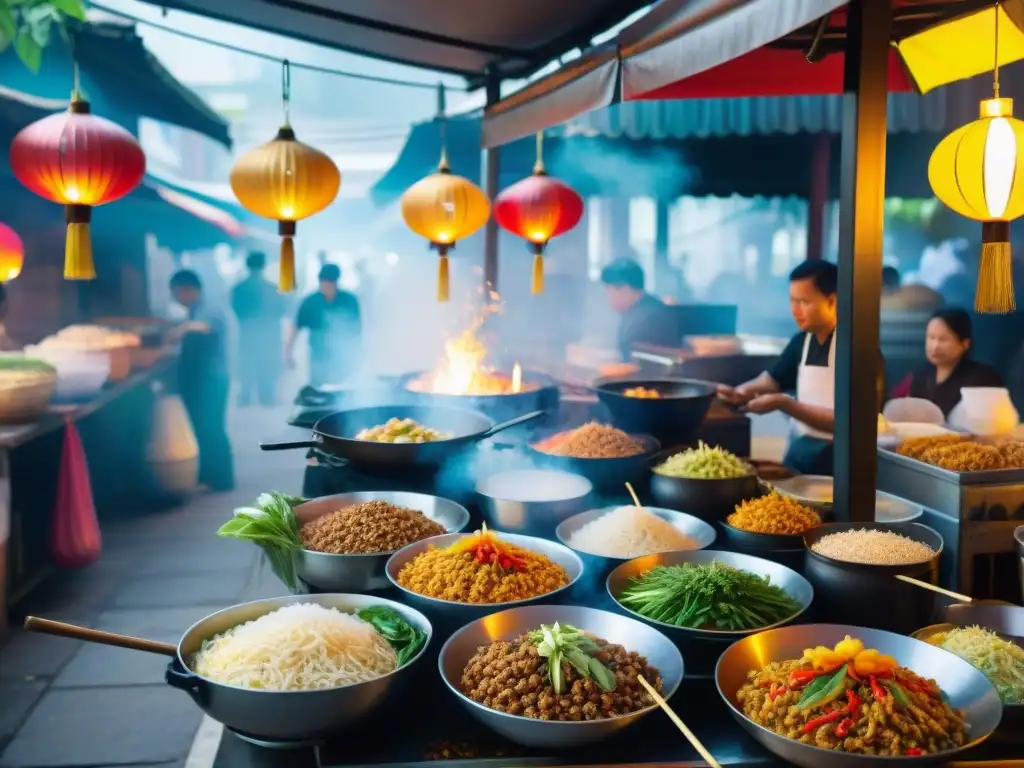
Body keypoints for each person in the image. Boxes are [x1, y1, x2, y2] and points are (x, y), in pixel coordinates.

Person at [717, 260, 886, 475]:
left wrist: (785, 404)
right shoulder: (802, 341)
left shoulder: (859, 350)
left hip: (839, 460)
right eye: (792, 301)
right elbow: (771, 381)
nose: (795, 310)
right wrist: (739, 393)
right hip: (799, 449)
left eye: (803, 302)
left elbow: (852, 423)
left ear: (833, 302)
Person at [169, 269, 234, 491]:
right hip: (200, 378)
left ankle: (223, 479)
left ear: (190, 291)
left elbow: (206, 327)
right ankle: (207, 475)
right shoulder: (193, 311)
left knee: (212, 426)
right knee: (200, 426)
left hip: (213, 378)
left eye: (177, 293)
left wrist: (183, 328)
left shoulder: (210, 309)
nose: (176, 298)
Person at [892, 308, 1004, 417]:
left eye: (943, 339)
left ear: (965, 344)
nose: (935, 346)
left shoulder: (982, 378)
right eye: (931, 337)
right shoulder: (920, 374)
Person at [285, 263, 362, 387]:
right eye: (324, 284)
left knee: (343, 390)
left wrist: (358, 355)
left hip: (342, 356)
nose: (326, 288)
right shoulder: (310, 302)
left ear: (336, 283)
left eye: (330, 284)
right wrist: (288, 353)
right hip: (318, 356)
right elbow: (296, 328)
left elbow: (356, 331)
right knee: (318, 391)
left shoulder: (349, 301)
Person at [230, 251, 285, 407]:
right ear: (263, 266)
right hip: (269, 335)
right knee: (267, 366)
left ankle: (245, 398)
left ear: (247, 266)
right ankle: (266, 397)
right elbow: (281, 310)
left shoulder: (239, 288)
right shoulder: (273, 288)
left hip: (246, 333)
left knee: (247, 365)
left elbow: (235, 309)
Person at [600, 258, 680, 362]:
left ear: (624, 289)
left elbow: (635, 362)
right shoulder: (644, 308)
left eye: (609, 292)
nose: (608, 298)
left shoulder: (648, 318)